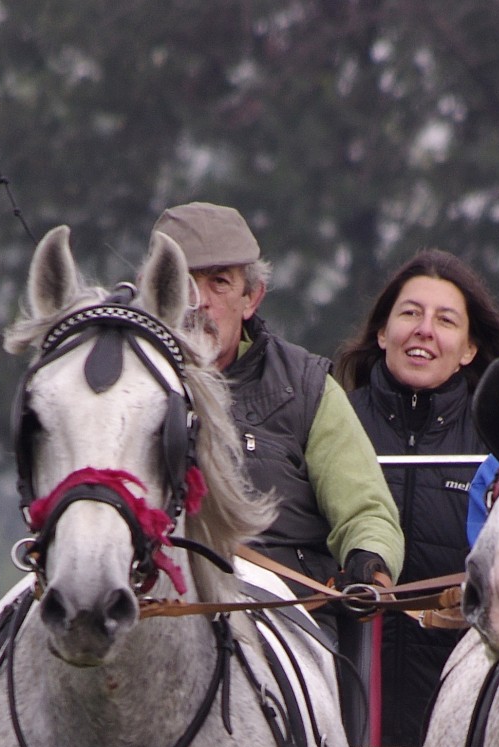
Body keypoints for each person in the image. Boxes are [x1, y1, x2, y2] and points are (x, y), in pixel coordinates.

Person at [150, 203, 403, 635]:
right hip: (156, 611)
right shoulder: (127, 392)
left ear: (252, 298)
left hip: (286, 622)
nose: (199, 302)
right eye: (183, 282)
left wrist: (368, 557)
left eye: (219, 283)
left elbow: (367, 510)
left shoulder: (307, 388)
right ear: (156, 292)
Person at [333, 250, 499, 747]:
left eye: (445, 320)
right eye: (410, 313)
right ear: (381, 332)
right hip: (337, 707)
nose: (424, 329)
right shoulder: (329, 425)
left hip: (461, 718)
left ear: (469, 349)